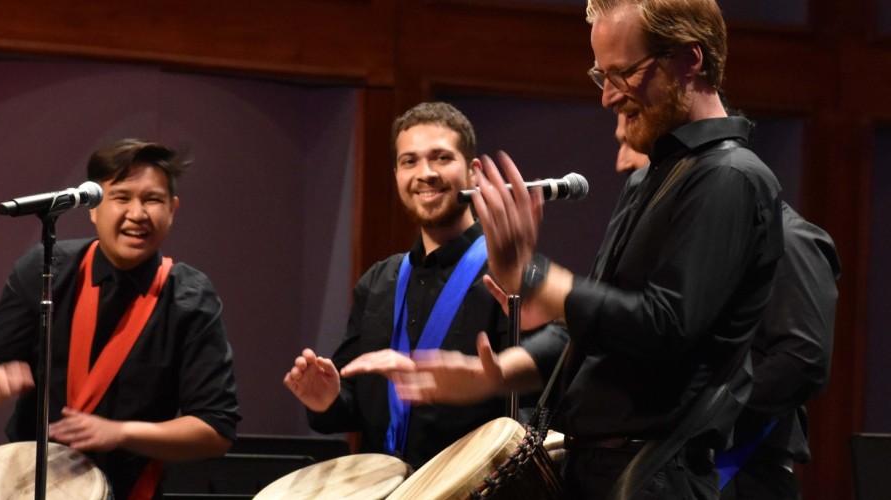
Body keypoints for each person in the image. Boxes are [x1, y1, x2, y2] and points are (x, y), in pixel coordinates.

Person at [393, 1, 787, 498]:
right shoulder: (650, 179)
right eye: (601, 75)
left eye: (624, 73)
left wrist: (538, 279)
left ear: (690, 60)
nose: (607, 96)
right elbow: (600, 328)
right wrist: (494, 375)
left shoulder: (730, 178)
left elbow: (664, 327)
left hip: (654, 474)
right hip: (603, 469)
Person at [282, 101, 560, 469]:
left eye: (441, 158)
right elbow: (355, 408)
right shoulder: (377, 283)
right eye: (409, 161)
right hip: (386, 487)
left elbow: (541, 405)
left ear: (474, 172)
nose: (425, 173)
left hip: (474, 486)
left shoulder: (511, 276)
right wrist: (327, 400)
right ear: (397, 174)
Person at [0, 139, 240, 500]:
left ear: (172, 209)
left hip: (130, 491)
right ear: (92, 207)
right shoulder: (45, 269)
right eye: (122, 197)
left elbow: (216, 429)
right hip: (30, 486)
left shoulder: (190, 297)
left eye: (152, 200)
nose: (137, 213)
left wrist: (121, 433)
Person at [615, 107, 841, 499]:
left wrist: (697, 405)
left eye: (631, 143)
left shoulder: (789, 237)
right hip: (675, 467)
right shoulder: (691, 245)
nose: (622, 162)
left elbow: (802, 361)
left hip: (743, 474)